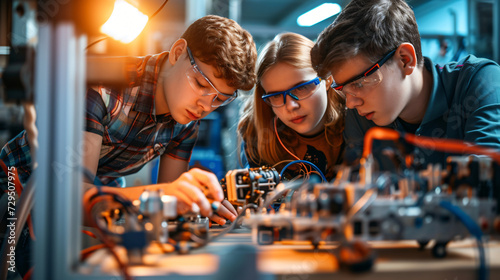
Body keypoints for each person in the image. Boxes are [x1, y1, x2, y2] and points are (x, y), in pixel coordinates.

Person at [1, 15, 257, 225]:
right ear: (178, 52)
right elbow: (73, 201)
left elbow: (167, 200)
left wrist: (197, 206)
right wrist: (160, 198)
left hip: (94, 209)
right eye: (202, 84)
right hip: (15, 194)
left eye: (220, 99)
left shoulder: (187, 120)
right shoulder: (103, 88)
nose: (206, 106)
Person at [310, 0, 500, 167]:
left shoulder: (479, 83)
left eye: (359, 84)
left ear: (405, 60)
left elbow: (486, 183)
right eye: (343, 88)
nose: (350, 103)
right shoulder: (361, 117)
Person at [238, 32, 345, 181]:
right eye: (275, 96)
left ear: (327, 79)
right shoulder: (255, 133)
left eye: (301, 88)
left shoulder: (357, 117)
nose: (290, 106)